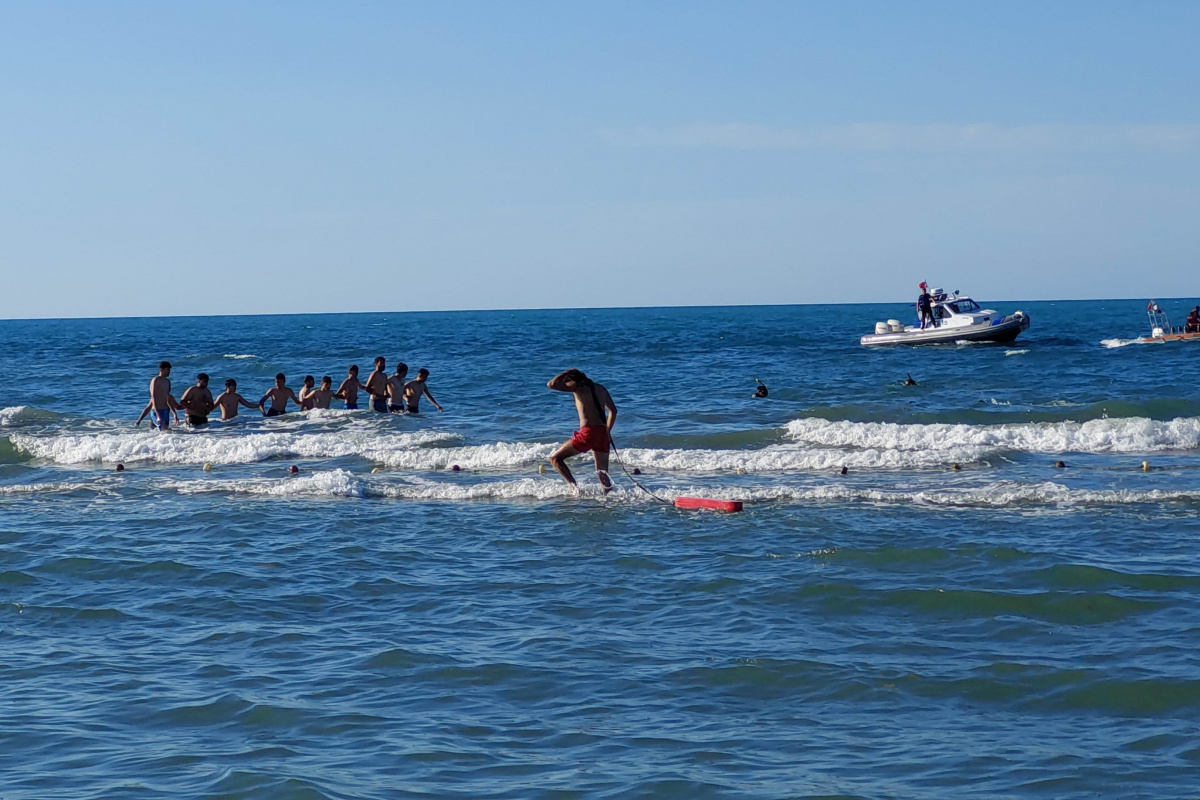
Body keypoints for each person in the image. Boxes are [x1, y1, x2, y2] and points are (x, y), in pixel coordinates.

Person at [546, 368, 618, 492]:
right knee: (603, 475)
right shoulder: (601, 388)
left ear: (573, 381)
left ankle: (575, 489)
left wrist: (566, 373)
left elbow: (551, 384)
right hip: (602, 433)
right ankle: (609, 500)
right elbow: (613, 411)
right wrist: (607, 431)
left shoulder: (578, 388)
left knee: (555, 458)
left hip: (588, 433)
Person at [136, 361, 180, 430]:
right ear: (161, 369)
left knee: (166, 431)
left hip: (165, 410)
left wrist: (174, 414)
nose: (169, 372)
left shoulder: (168, 382)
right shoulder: (155, 380)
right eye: (167, 370)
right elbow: (153, 398)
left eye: (169, 370)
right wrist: (158, 415)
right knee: (163, 429)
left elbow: (168, 399)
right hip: (156, 411)